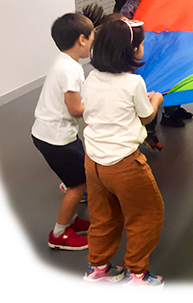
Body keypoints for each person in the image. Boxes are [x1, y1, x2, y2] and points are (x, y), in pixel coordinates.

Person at [80, 18, 166, 292]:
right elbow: (146, 116)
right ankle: (137, 275)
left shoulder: (91, 77)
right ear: (133, 50)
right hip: (125, 164)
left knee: (103, 216)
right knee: (146, 214)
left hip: (93, 161)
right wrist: (157, 100)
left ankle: (97, 269)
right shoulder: (134, 83)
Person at [32, 12, 95, 251]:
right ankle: (59, 233)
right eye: (92, 37)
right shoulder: (71, 70)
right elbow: (75, 109)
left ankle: (71, 220)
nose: (92, 43)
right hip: (56, 139)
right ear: (82, 39)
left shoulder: (63, 61)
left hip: (49, 133)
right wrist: (100, 106)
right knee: (78, 184)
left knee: (79, 176)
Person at [114, 0, 193, 142]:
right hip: (145, 59)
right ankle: (150, 131)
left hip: (161, 51)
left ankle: (172, 111)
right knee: (150, 90)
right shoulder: (129, 11)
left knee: (172, 80)